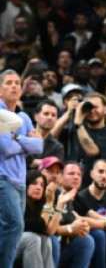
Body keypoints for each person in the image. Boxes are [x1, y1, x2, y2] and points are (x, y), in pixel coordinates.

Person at [0, 69, 44, 268]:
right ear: (0, 89)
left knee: (12, 228)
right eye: (8, 82)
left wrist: (16, 138)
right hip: (3, 178)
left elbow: (39, 146)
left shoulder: (24, 117)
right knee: (15, 225)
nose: (14, 86)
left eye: (17, 83)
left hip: (19, 181)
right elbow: (7, 148)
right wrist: (25, 142)